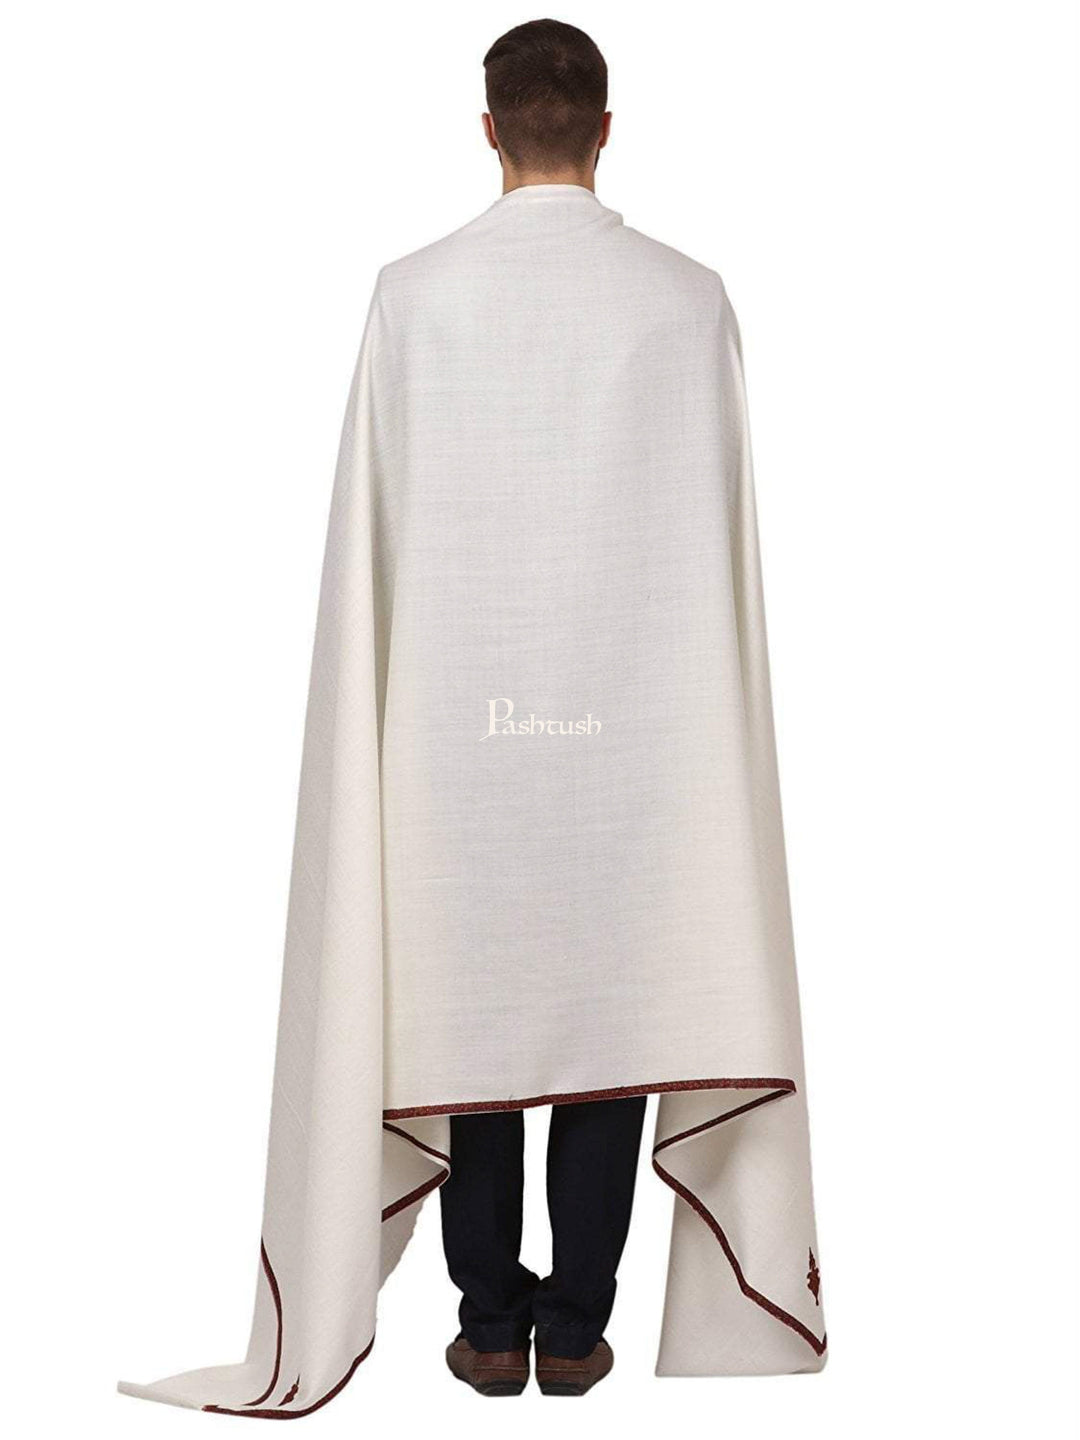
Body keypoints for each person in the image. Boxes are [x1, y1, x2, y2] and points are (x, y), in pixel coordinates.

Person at [118, 16, 826, 1418]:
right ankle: (576, 1332)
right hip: (639, 746)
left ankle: (490, 1327)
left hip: (459, 743)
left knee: (474, 1008)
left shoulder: (414, 296)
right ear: (605, 129)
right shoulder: (688, 301)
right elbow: (710, 553)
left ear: (489, 129)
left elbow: (377, 540)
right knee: (621, 1004)